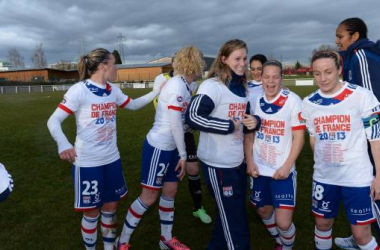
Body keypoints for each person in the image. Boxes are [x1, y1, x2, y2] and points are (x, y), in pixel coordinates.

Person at [47, 48, 162, 250]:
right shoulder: (79, 90)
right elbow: (53, 120)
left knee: (111, 208)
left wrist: (156, 91)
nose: (116, 68)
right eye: (114, 64)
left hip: (112, 160)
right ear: (103, 66)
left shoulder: (112, 90)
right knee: (91, 213)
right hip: (87, 162)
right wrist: (63, 143)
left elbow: (133, 105)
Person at [116, 46, 205, 250]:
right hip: (159, 147)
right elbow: (174, 124)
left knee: (171, 191)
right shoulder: (176, 86)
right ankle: (123, 242)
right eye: (201, 61)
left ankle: (166, 239)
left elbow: (181, 122)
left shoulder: (187, 85)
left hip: (173, 147)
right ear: (195, 63)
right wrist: (183, 155)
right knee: (148, 197)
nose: (203, 66)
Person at [302, 50, 380, 250]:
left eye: (328, 72)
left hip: (357, 178)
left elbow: (376, 139)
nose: (322, 78)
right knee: (322, 224)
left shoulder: (361, 96)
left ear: (339, 69)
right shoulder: (309, 102)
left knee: (361, 235)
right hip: (324, 178)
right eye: (317, 73)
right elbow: (313, 138)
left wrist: (378, 175)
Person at [185, 39, 258, 250]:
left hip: (237, 162)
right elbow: (192, 117)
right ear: (224, 59)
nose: (242, 63)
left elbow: (246, 121)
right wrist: (228, 125)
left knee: (231, 213)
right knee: (235, 222)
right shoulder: (212, 86)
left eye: (245, 58)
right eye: (237, 58)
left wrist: (255, 121)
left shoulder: (243, 88)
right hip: (218, 165)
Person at [245, 60, 305, 250]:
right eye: (266, 77)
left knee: (284, 223)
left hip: (282, 171)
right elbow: (249, 136)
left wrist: (287, 166)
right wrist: (250, 161)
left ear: (281, 77)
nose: (270, 82)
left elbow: (299, 138)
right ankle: (280, 241)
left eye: (275, 77)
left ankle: (287, 246)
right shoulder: (254, 101)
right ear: (260, 78)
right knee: (262, 210)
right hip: (259, 169)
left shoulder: (293, 100)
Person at [334, 17, 380, 249]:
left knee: (374, 186)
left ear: (355, 37)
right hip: (365, 137)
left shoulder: (361, 57)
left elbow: (372, 104)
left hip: (371, 138)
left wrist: (365, 139)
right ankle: (363, 236)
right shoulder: (351, 57)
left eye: (340, 36)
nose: (337, 41)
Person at [152, 57, 212, 224]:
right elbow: (159, 103)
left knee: (193, 169)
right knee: (165, 175)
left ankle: (198, 208)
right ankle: (162, 205)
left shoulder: (192, 83)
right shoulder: (163, 79)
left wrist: (189, 122)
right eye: (176, 61)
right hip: (168, 132)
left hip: (185, 132)